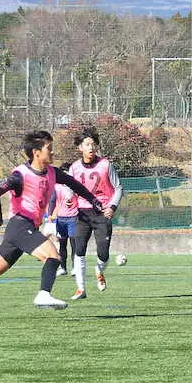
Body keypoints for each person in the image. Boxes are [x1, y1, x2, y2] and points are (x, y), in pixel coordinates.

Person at [0, 130, 104, 316]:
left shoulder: (53, 173)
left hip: (21, 230)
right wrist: (1, 187)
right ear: (36, 152)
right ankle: (43, 294)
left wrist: (93, 200)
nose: (53, 152)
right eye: (49, 148)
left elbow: (74, 184)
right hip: (21, 226)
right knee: (53, 256)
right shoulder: (20, 175)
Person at [68, 127, 122, 300]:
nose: (91, 147)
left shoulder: (106, 165)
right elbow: (70, 188)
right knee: (79, 250)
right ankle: (80, 289)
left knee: (103, 254)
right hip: (82, 214)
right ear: (80, 147)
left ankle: (99, 270)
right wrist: (69, 198)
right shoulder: (74, 167)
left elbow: (118, 188)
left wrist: (112, 207)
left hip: (101, 214)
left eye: (93, 144)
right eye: (87, 144)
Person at [47, 162, 78, 276]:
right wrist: (50, 214)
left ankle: (75, 267)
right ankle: (63, 267)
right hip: (61, 219)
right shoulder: (57, 186)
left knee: (74, 244)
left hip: (73, 217)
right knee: (62, 244)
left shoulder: (75, 185)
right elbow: (52, 200)